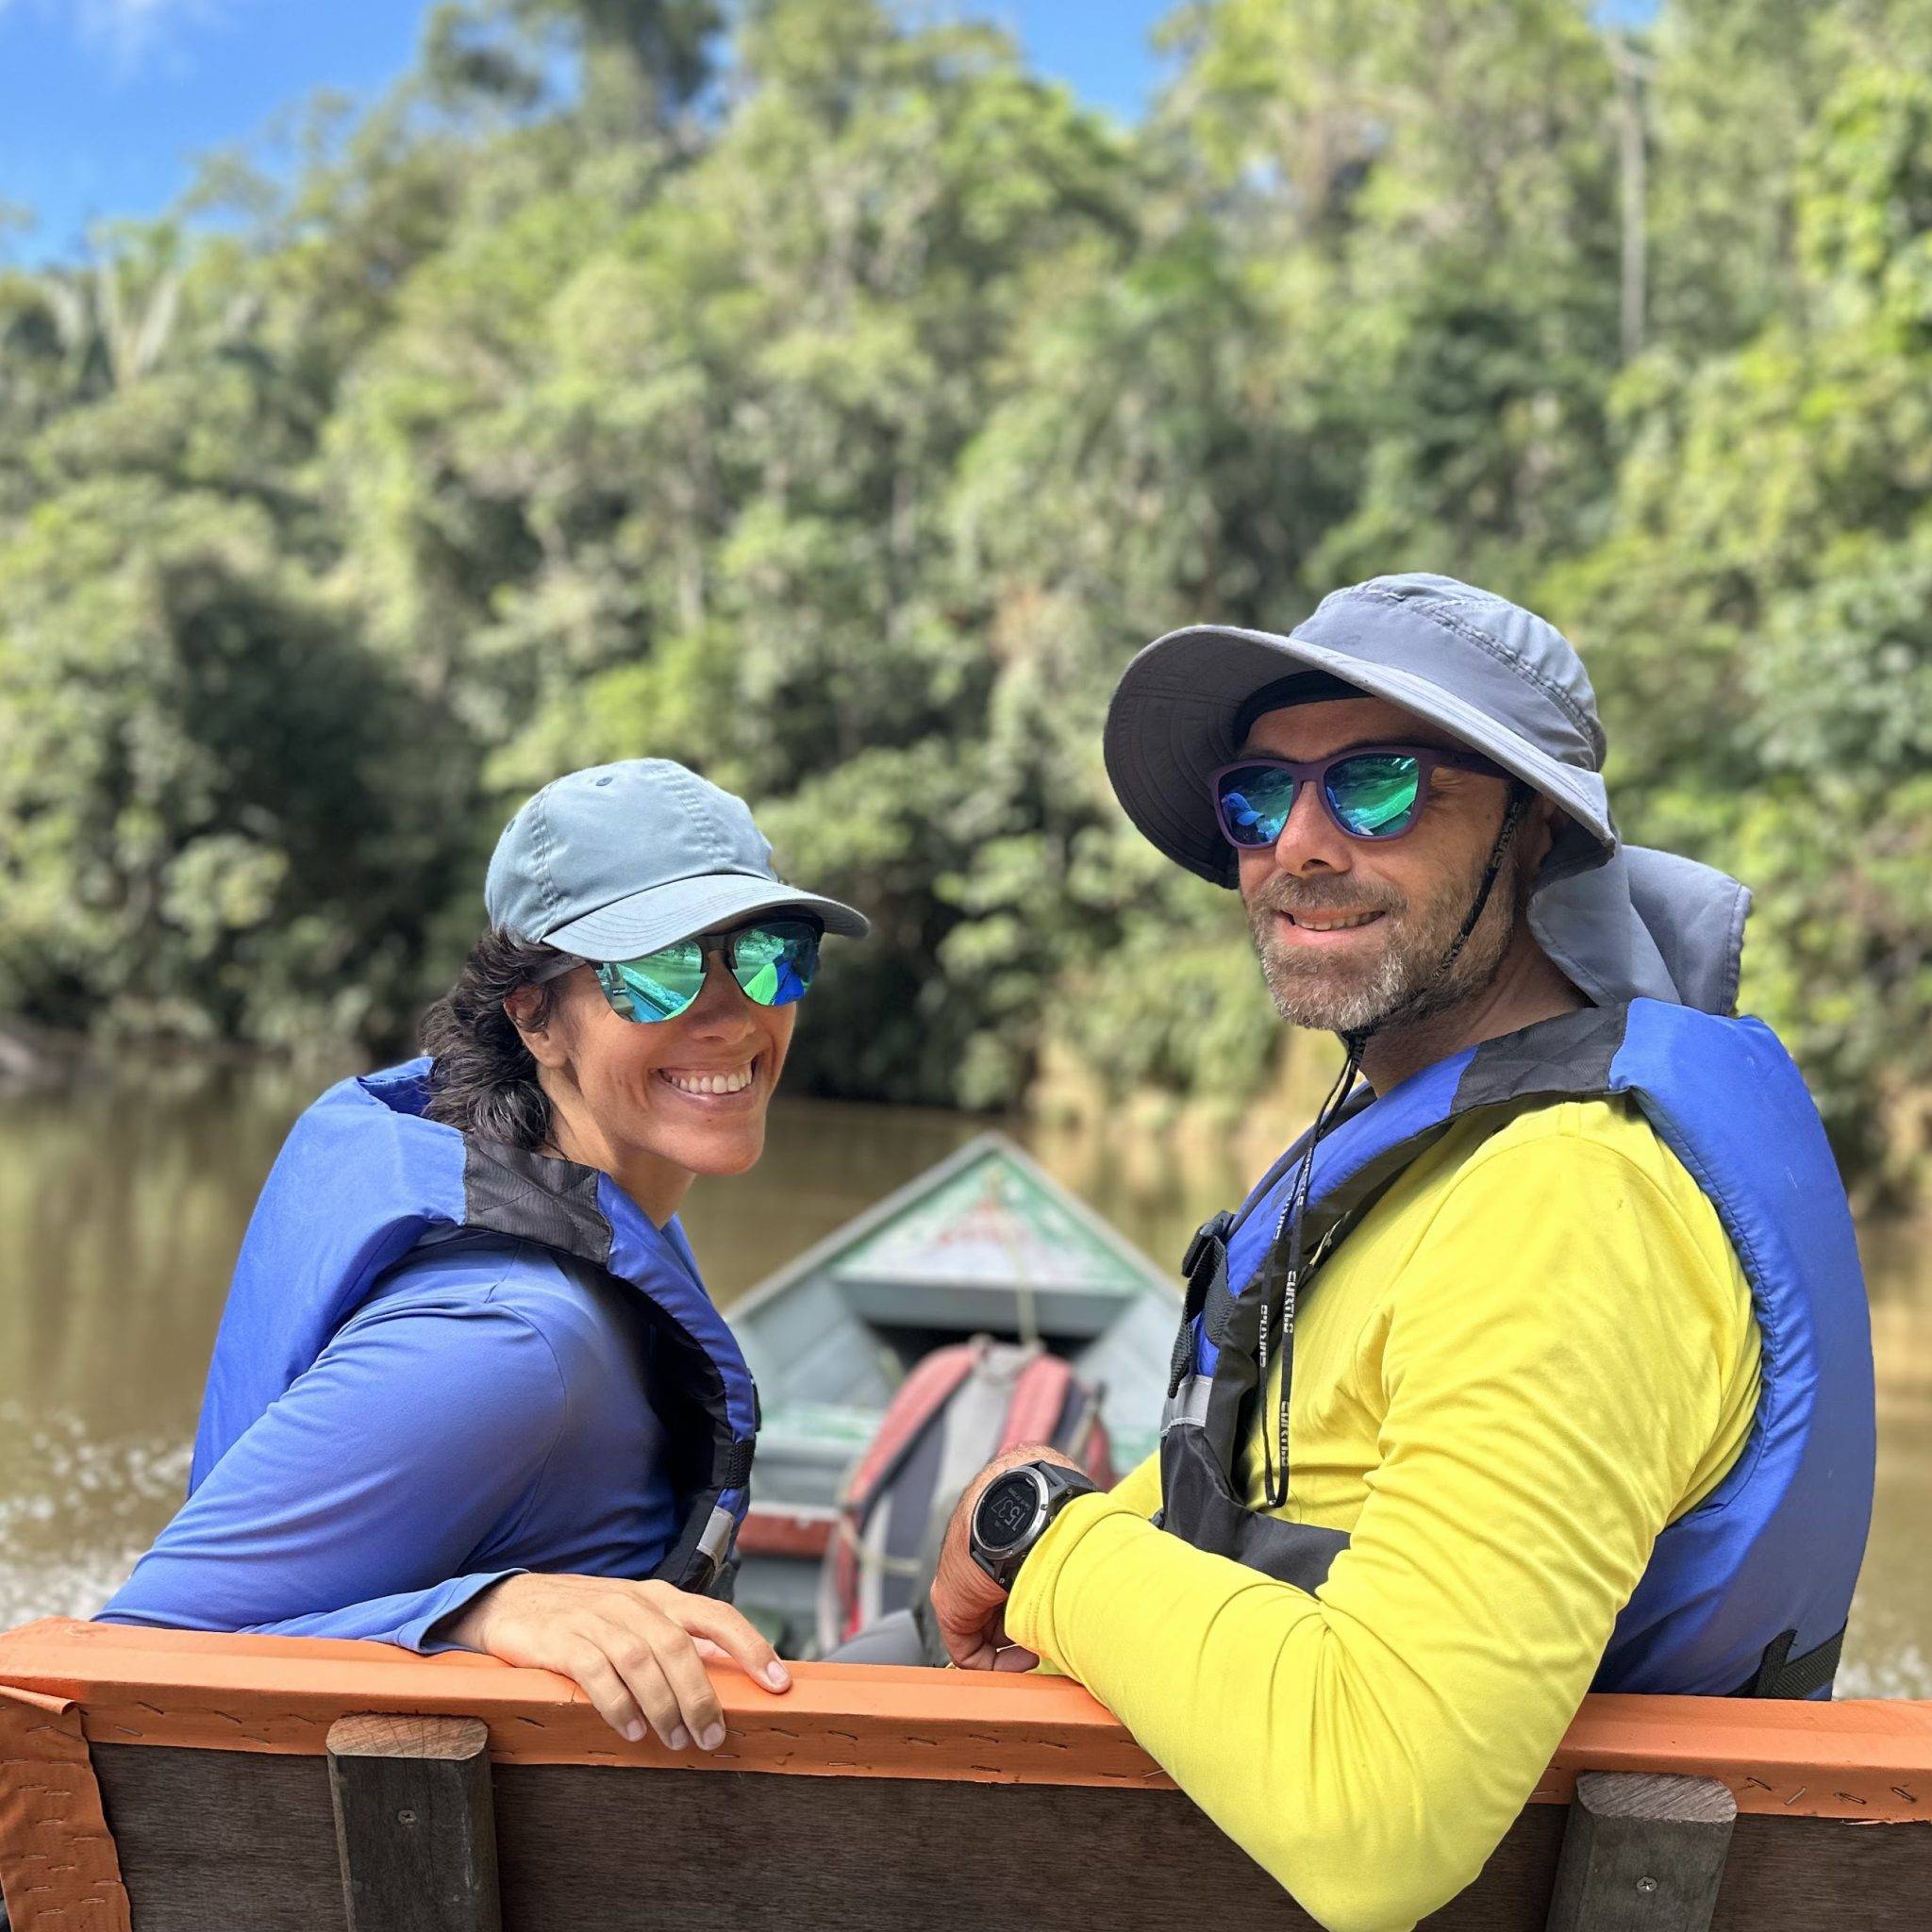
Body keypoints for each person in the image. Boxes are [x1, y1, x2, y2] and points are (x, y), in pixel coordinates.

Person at [928, 574, 1876, 1932]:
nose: (1299, 844)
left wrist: (1038, 1545)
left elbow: (1374, 1810)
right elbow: (1234, 1483)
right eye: (1258, 797)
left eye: (1377, 787)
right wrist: (1056, 1512)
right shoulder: (1429, 1151)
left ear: (1530, 826)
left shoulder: (1567, 1205)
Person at [101, 758, 868, 1757]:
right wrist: (476, 1611)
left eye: (769, 956)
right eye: (658, 971)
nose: (732, 1016)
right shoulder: (508, 1343)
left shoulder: (606, 1208)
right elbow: (127, 1660)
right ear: (534, 1015)